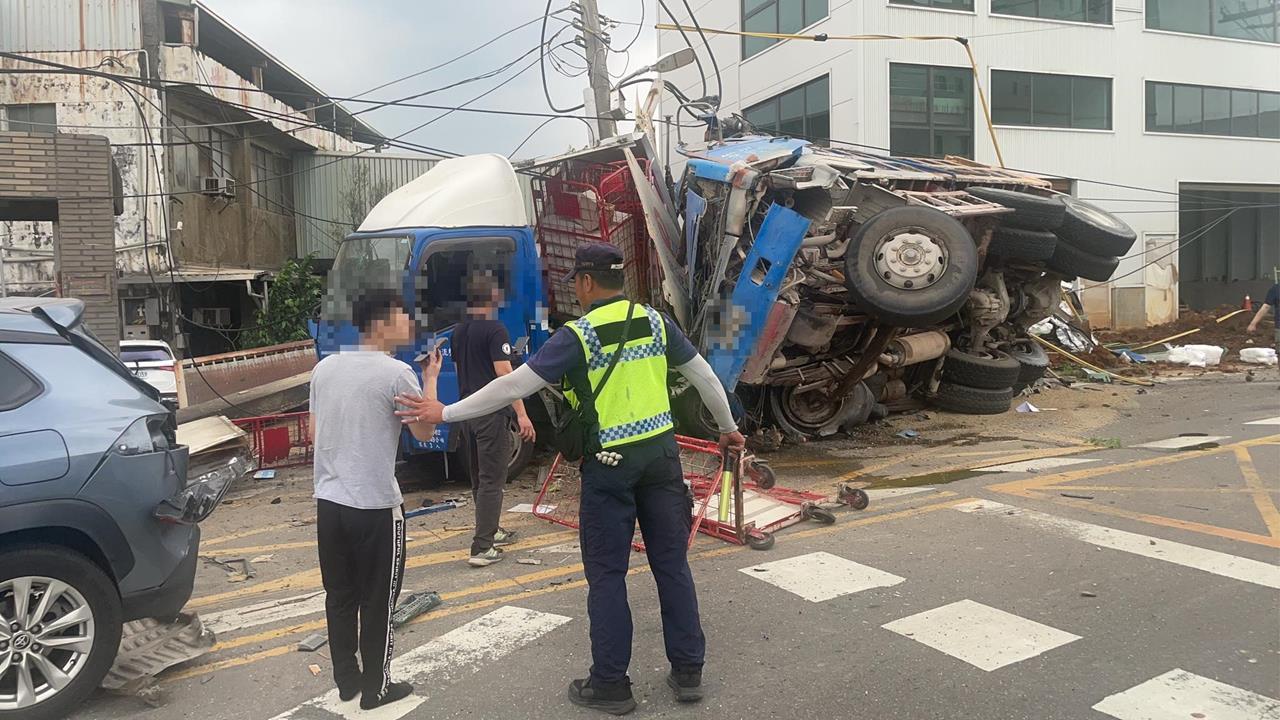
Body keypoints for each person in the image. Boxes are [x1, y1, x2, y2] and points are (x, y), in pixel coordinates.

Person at [396, 243, 744, 715]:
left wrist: (447, 410)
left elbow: (515, 384)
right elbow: (702, 375)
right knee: (672, 566)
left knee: (607, 576)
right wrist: (727, 429)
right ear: (620, 280)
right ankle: (688, 672)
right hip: (662, 459)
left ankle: (611, 686)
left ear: (584, 282)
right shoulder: (656, 322)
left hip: (609, 468)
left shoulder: (579, 335)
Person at [308, 288, 440, 710]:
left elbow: (313, 434)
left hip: (329, 502)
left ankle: (346, 680)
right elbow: (424, 433)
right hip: (376, 505)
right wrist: (431, 379)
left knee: (340, 595)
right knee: (378, 599)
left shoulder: (324, 369)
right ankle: (376, 688)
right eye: (403, 317)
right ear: (382, 322)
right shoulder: (397, 373)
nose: (409, 325)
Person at [452, 273, 537, 567]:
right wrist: (522, 415)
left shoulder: (459, 330)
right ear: (492, 298)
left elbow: (466, 369)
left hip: (468, 413)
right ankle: (482, 546)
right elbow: (505, 376)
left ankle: (492, 529)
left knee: (479, 476)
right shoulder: (495, 330)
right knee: (493, 478)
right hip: (490, 415)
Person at [1246, 282, 1280, 356]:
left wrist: (1253, 324)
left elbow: (1266, 307)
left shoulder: (1276, 288)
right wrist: (1253, 324)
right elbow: (1266, 307)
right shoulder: (1276, 288)